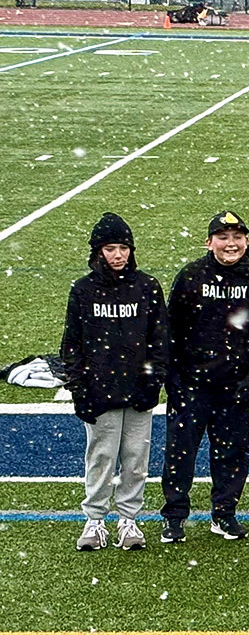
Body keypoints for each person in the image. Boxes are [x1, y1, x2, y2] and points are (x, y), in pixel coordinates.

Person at [160, 211, 249, 544]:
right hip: (191, 385)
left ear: (247, 240)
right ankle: (174, 517)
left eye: (237, 237)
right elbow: (172, 329)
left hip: (234, 387)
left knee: (232, 453)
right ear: (209, 241)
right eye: (223, 237)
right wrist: (175, 379)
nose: (231, 244)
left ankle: (223, 514)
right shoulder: (192, 276)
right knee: (180, 452)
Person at [63, 213, 168, 552]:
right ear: (98, 251)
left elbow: (160, 340)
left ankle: (129, 519)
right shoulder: (83, 290)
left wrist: (152, 383)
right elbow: (72, 344)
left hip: (138, 389)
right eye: (111, 248)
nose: (118, 255)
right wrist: (79, 388)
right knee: (101, 457)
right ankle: (94, 520)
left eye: (123, 247)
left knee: (137, 457)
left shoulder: (147, 287)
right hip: (99, 389)